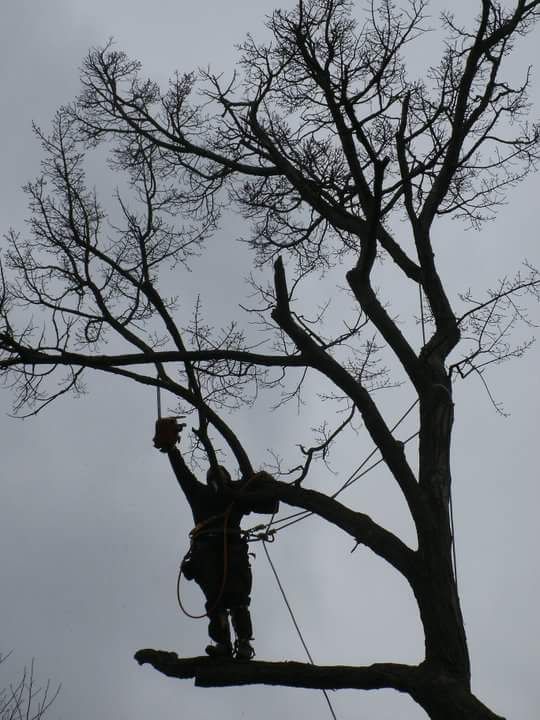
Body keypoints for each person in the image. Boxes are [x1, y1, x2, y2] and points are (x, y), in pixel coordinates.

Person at [153, 417, 278, 660]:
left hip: (230, 550)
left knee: (238, 600)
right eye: (213, 476)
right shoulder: (200, 494)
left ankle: (242, 644)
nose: (216, 481)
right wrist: (171, 449)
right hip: (207, 553)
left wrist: (265, 484)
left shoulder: (236, 496)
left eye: (219, 477)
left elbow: (271, 504)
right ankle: (223, 646)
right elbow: (183, 474)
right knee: (216, 603)